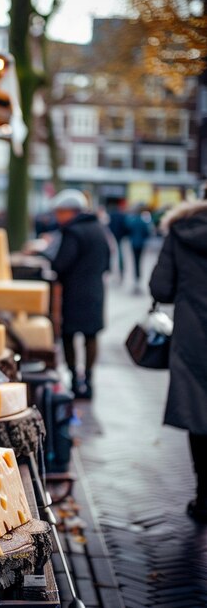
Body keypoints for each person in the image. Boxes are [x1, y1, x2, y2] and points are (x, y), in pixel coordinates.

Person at [149, 197, 207, 523]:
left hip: (194, 338)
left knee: (200, 415)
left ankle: (203, 496)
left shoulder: (181, 231)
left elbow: (161, 287)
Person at [44, 189, 111, 399]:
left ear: (71, 212)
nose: (57, 217)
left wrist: (47, 255)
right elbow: (108, 261)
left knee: (69, 334)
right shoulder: (100, 228)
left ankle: (74, 380)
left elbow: (61, 263)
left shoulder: (72, 231)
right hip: (96, 290)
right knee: (91, 335)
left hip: (74, 293)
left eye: (60, 212)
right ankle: (89, 382)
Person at [125, 205, 152, 293]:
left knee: (135, 261)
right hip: (141, 244)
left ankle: (136, 278)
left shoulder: (132, 221)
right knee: (139, 261)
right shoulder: (143, 222)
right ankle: (138, 277)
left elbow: (128, 230)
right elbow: (147, 232)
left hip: (134, 243)